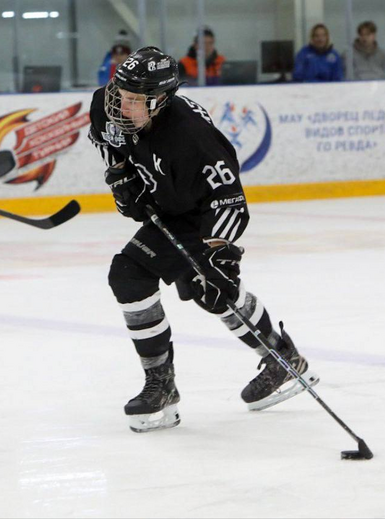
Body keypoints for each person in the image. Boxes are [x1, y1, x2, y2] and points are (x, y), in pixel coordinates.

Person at [88, 47, 319, 432]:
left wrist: (219, 253)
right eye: (119, 94)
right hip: (170, 207)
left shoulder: (192, 138)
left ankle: (281, 361)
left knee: (207, 288)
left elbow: (230, 199)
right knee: (134, 276)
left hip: (201, 214)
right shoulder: (107, 104)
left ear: (159, 100)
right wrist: (122, 176)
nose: (120, 106)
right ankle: (165, 384)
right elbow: (106, 141)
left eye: (133, 100)